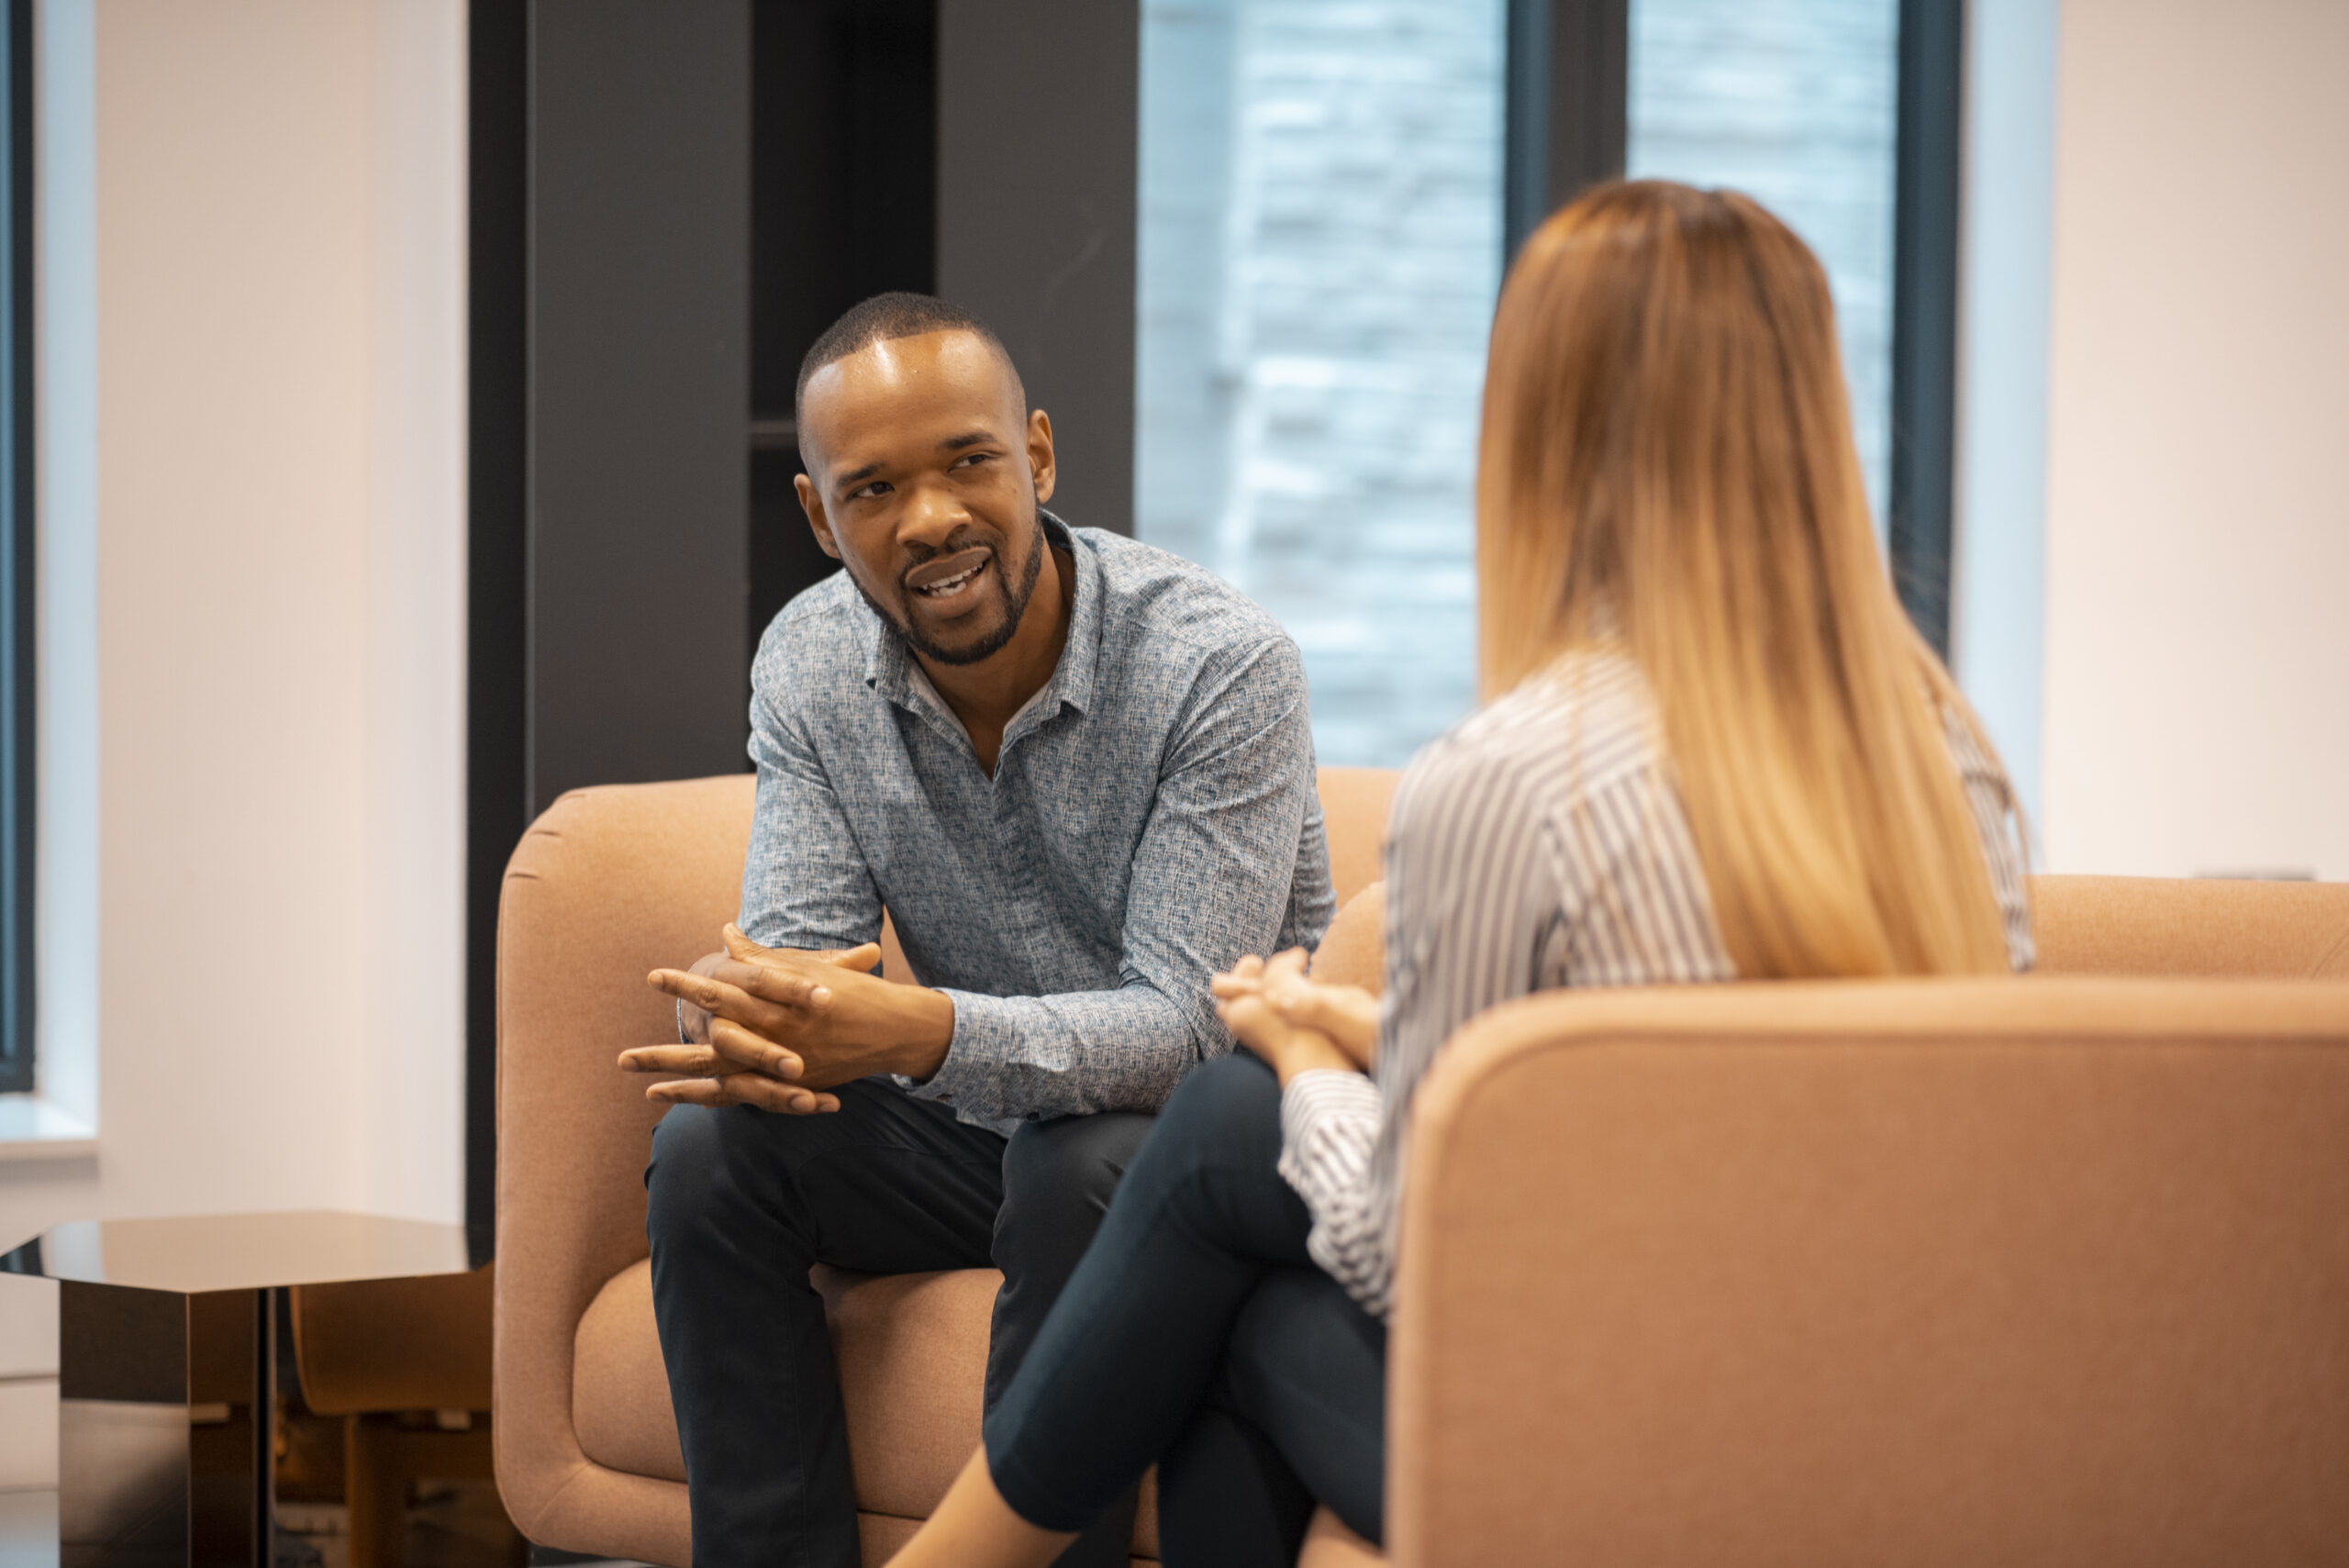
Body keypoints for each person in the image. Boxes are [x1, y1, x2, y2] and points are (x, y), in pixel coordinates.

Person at [879, 181, 2037, 1568]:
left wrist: (1308, 1067)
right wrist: (1365, 1037)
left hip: (1631, 1458)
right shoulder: (1946, 759)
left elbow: (1410, 1250)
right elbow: (1724, 1082)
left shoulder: (1514, 779)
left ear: (1537, 430)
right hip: (1890, 1424)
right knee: (1234, 1196)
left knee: (1229, 1183)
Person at [620, 291, 1334, 1568]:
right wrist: (751, 1016)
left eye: (968, 461)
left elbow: (1183, 1031)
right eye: (876, 487)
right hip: (976, 1143)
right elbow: (804, 959)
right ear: (819, 517)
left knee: (1079, 1158)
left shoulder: (1219, 665)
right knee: (712, 1148)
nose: (933, 518)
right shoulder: (811, 661)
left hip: (1190, 1152)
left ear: (1039, 457)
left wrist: (922, 1030)